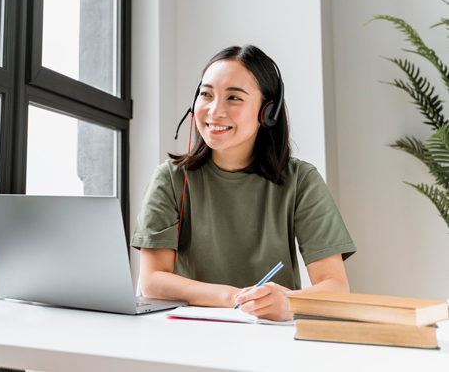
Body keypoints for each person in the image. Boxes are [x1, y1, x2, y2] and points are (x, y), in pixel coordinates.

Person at [131, 45, 356, 322]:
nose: (214, 110)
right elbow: (153, 280)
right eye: (206, 94)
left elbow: (336, 287)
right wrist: (236, 298)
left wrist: (290, 301)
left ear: (267, 113)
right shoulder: (170, 178)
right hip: (188, 334)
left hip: (270, 334)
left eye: (234, 98)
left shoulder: (302, 181)